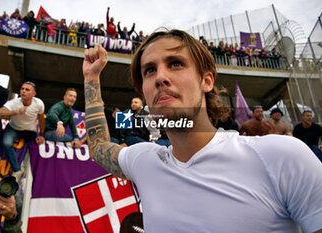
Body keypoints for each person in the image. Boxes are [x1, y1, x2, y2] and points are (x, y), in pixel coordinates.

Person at [83, 29, 322, 232]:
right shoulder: (144, 160)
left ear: (207, 81)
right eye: (149, 70)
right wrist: (91, 78)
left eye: (175, 64)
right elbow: (98, 146)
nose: (160, 77)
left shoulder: (282, 156)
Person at [0, 81, 45, 181]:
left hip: (29, 131)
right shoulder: (13, 103)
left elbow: (42, 119)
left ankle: (27, 176)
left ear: (33, 94)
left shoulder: (39, 103)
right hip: (13, 129)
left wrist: (42, 134)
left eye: (27, 89)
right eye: (22, 89)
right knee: (6, 144)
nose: (23, 91)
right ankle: (17, 170)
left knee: (33, 148)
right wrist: (15, 112)